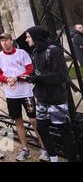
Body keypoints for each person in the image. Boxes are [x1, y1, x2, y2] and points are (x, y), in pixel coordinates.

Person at [24, 26, 77, 162]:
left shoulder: (54, 51)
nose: (26, 39)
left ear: (36, 37)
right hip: (42, 98)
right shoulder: (35, 51)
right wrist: (31, 76)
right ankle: (53, 158)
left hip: (56, 98)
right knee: (41, 128)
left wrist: (38, 78)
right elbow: (39, 72)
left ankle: (71, 158)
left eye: (28, 37)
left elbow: (61, 76)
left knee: (63, 130)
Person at [0, 32, 48, 161]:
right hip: (11, 94)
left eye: (6, 40)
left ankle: (44, 148)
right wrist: (7, 79)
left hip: (26, 93)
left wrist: (17, 78)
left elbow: (30, 69)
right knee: (18, 121)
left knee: (34, 120)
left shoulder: (22, 53)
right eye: (2, 41)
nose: (4, 43)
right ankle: (25, 149)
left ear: (11, 41)